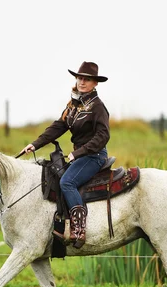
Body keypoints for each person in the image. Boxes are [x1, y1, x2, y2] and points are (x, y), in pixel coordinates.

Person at [21, 61, 110, 249]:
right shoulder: (74, 105)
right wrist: (35, 144)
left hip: (94, 156)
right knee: (57, 176)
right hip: (80, 156)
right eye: (79, 78)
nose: (82, 82)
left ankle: (79, 229)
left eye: (87, 79)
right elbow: (59, 126)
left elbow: (103, 136)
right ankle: (60, 224)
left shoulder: (97, 107)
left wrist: (78, 153)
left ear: (95, 83)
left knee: (67, 182)